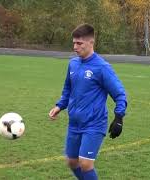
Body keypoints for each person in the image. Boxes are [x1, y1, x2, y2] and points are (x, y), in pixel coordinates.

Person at [48, 23, 127, 180]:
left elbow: (120, 94)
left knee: (85, 164)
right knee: (72, 162)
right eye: (74, 43)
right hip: (74, 122)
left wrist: (119, 118)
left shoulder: (102, 67)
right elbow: (68, 88)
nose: (75, 47)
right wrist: (60, 105)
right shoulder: (73, 63)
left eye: (79, 43)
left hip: (94, 123)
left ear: (91, 42)